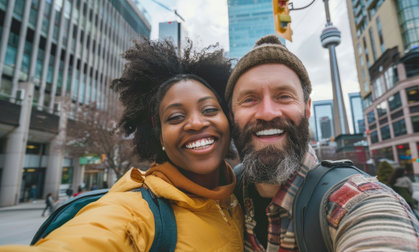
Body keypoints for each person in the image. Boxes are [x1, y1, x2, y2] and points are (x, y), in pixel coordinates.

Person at [0, 39, 243, 251]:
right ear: (158, 136)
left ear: (228, 119)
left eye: (210, 110)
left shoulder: (241, 195)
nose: (196, 123)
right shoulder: (134, 213)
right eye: (175, 117)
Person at [225, 35, 419, 251]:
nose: (268, 113)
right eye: (249, 99)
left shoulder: (353, 199)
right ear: (231, 114)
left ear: (307, 108)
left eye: (284, 96)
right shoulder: (223, 194)